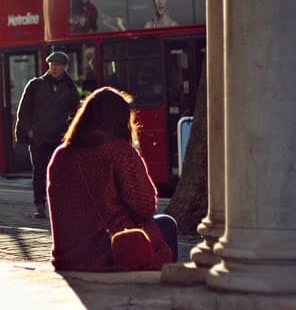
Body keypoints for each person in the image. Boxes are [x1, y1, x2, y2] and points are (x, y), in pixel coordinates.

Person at [47, 87, 177, 271]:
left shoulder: (60, 155)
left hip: (67, 258)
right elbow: (145, 207)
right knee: (167, 225)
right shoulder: (119, 151)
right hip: (111, 252)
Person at [15, 51, 80, 219]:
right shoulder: (35, 84)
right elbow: (23, 111)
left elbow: (76, 114)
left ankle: (57, 205)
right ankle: (40, 205)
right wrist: (29, 130)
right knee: (38, 172)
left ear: (65, 67)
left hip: (58, 138)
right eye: (52, 65)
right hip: (38, 137)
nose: (54, 68)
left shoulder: (71, 89)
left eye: (57, 65)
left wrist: (69, 133)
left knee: (58, 173)